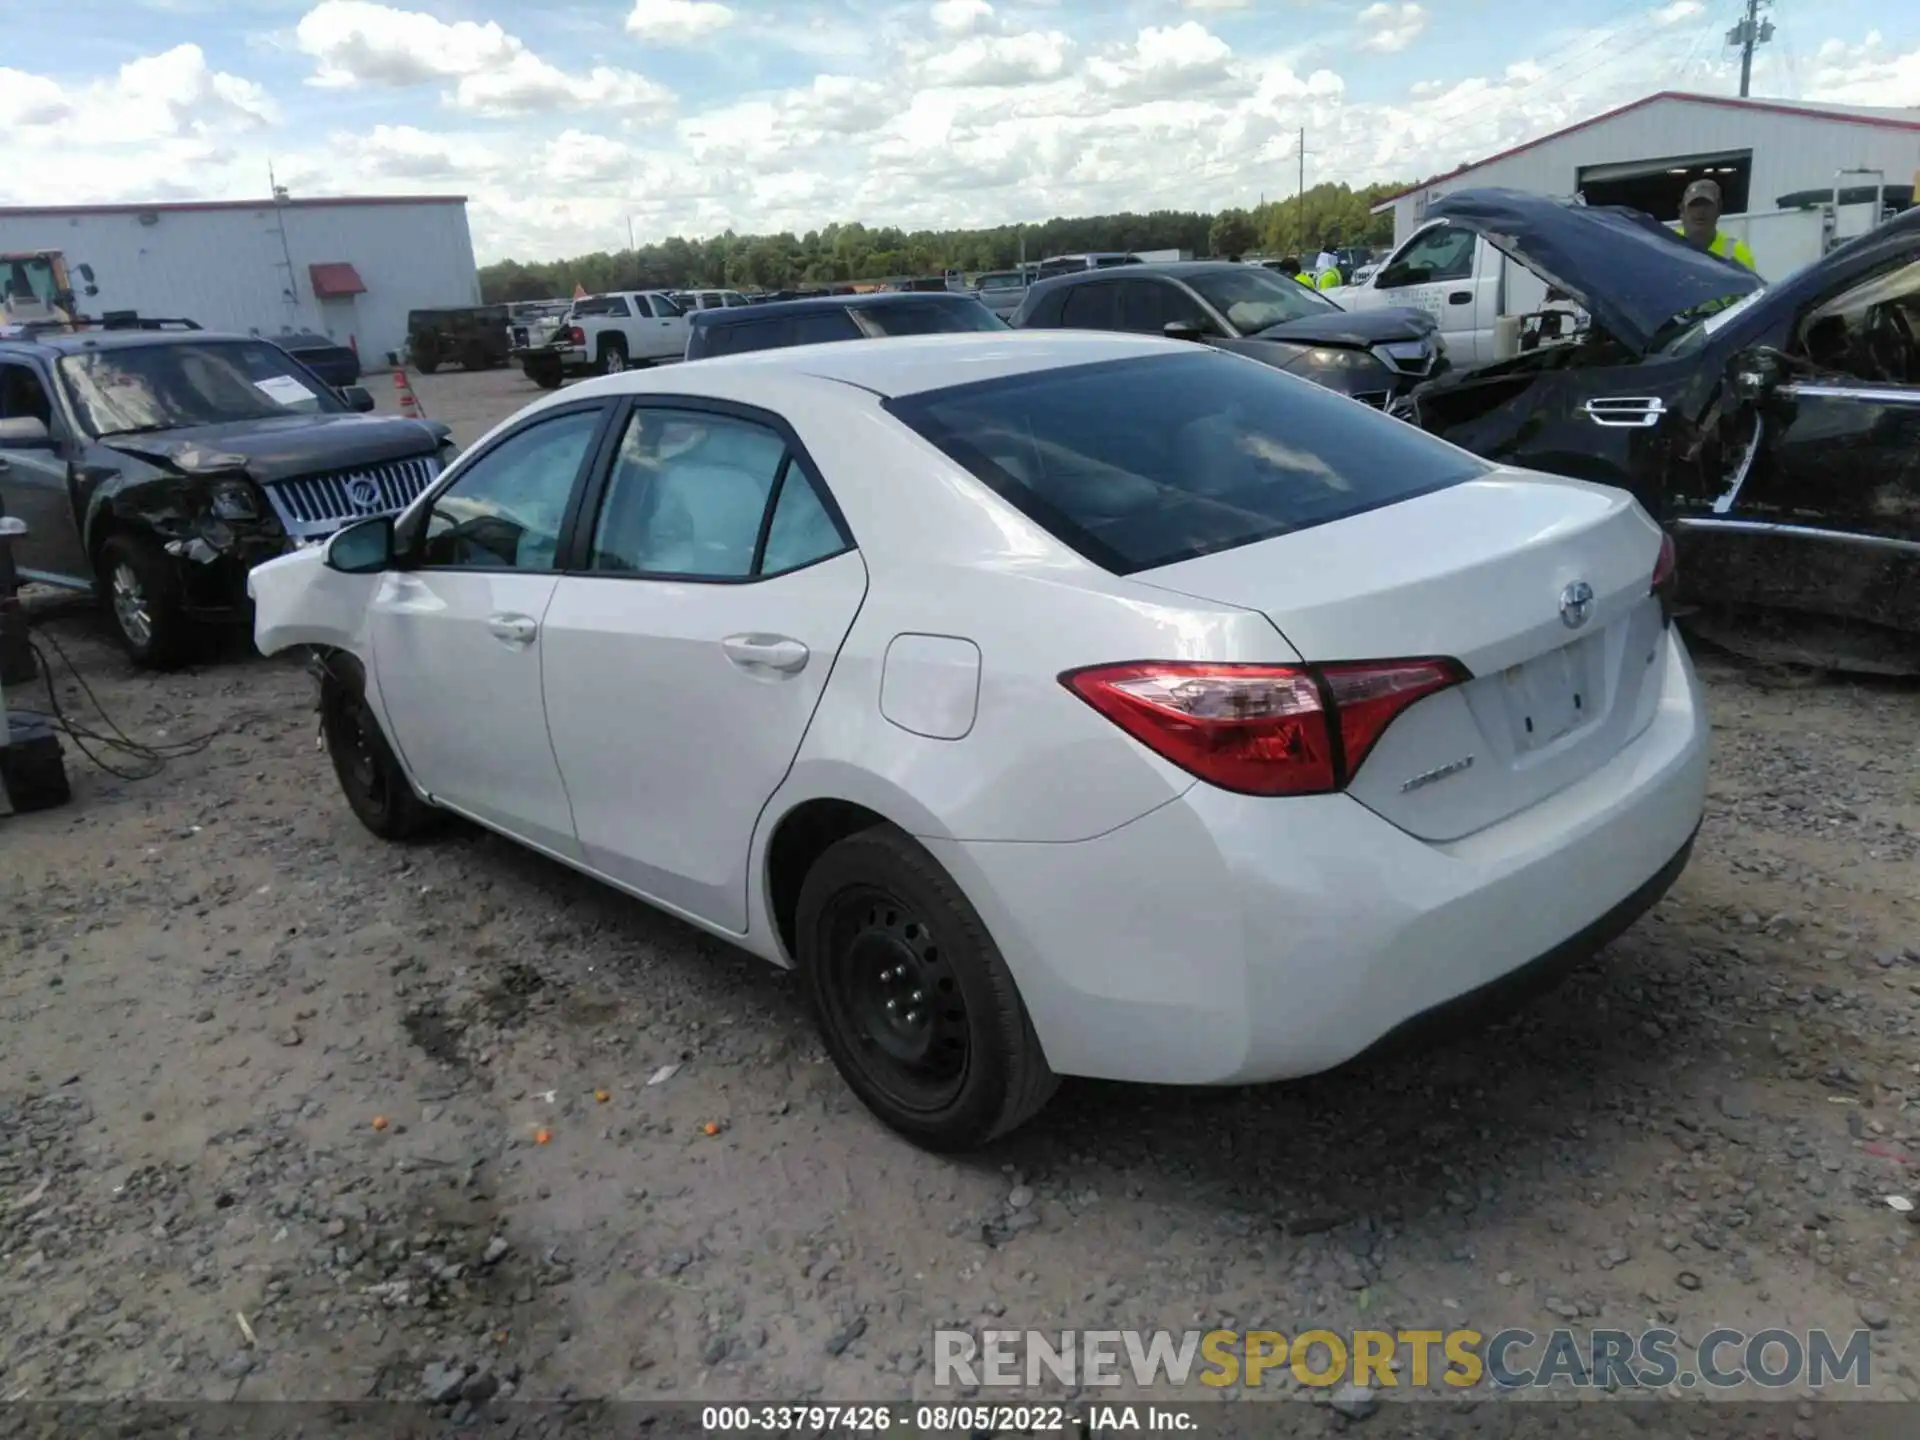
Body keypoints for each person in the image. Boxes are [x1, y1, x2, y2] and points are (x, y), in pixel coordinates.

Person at [1673, 178, 1758, 272]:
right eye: (1694, 205)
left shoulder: (1738, 253)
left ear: (1718, 210)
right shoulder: (1667, 245)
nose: (1700, 211)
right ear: (1682, 211)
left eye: (1707, 205)